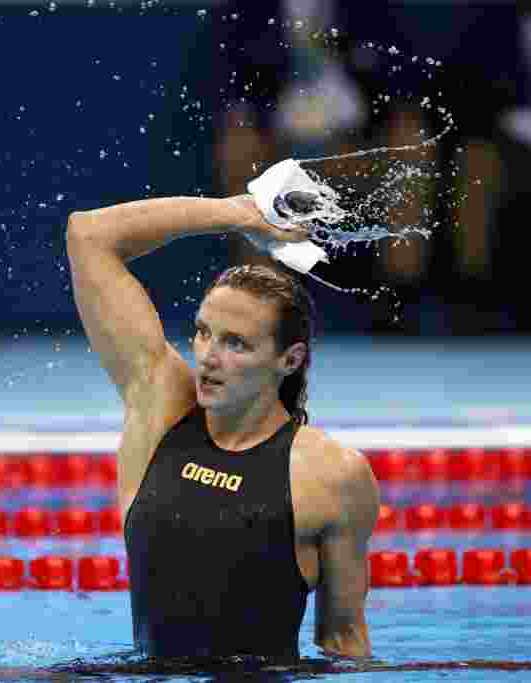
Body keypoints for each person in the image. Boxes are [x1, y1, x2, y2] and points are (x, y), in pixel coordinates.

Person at [66, 193, 380, 662]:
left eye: (236, 343)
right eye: (203, 332)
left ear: (288, 360)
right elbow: (88, 234)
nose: (209, 356)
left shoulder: (332, 474)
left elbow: (343, 642)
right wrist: (239, 214)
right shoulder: (162, 409)